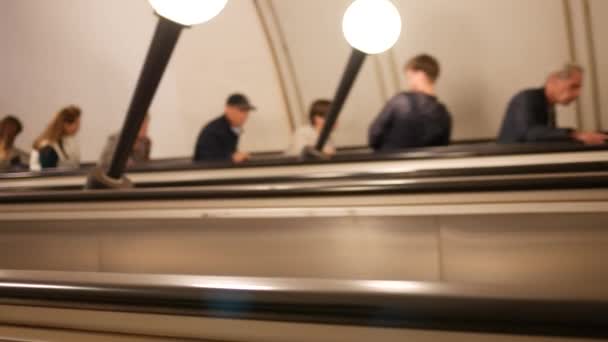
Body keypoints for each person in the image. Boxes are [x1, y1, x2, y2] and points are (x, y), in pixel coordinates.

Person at [498, 64, 607, 145]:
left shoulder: (548, 106)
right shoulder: (527, 98)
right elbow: (529, 133)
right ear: (553, 81)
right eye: (573, 86)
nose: (578, 93)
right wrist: (575, 135)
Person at [369, 54, 452, 152]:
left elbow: (374, 135)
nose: (409, 82)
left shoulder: (400, 101)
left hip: (390, 163)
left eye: (410, 77)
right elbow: (442, 148)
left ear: (421, 75)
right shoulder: (444, 114)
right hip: (425, 165)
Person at [194, 93, 254, 163]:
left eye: (247, 111)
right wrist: (232, 158)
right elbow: (205, 159)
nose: (245, 115)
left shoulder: (231, 128)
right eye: (242, 110)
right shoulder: (214, 130)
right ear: (228, 109)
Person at [30, 105, 81, 171]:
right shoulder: (48, 146)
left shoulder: (69, 141)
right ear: (66, 124)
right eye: (77, 123)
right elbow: (47, 173)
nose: (78, 127)